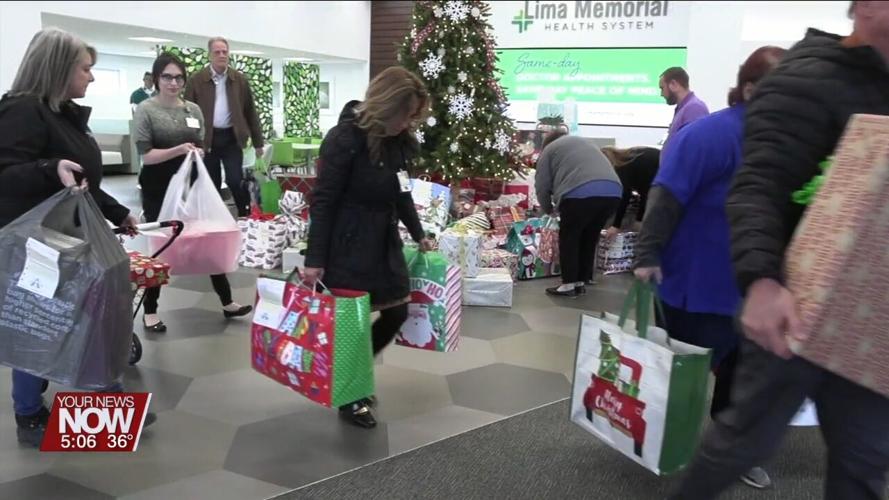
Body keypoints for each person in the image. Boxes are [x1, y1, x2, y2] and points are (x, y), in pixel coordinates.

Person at [667, 2, 889, 499]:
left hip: (875, 319)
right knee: (742, 441)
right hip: (798, 302)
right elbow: (759, 185)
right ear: (867, 8)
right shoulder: (807, 77)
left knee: (866, 460)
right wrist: (762, 280)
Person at [634, 45, 787, 491]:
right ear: (751, 89)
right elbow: (666, 195)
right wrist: (647, 255)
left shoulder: (787, 143)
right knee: (681, 374)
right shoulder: (710, 134)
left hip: (754, 286)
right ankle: (658, 441)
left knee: (742, 376)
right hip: (696, 283)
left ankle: (730, 452)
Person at [0, 28, 153, 446]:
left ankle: (105, 401)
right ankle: (31, 413)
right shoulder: (22, 111)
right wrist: (49, 169)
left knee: (85, 316)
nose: (92, 76)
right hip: (38, 244)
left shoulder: (63, 113)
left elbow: (81, 181)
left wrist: (117, 211)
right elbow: (7, 175)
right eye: (85, 69)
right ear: (59, 68)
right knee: (38, 323)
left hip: (68, 237)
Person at [303, 67, 434, 429]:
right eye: (405, 115)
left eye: (412, 117)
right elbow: (324, 200)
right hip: (347, 242)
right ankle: (350, 395)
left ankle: (353, 373)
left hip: (383, 241)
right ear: (386, 105)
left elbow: (402, 192)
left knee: (397, 312)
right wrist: (314, 258)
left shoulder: (397, 142)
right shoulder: (344, 138)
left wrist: (419, 233)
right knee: (352, 325)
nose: (407, 124)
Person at [134, 53, 253, 333]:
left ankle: (227, 301)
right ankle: (150, 311)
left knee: (206, 238)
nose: (173, 83)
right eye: (167, 77)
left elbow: (200, 144)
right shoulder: (146, 110)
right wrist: (178, 150)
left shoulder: (193, 110)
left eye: (179, 78)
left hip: (192, 183)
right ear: (157, 79)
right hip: (159, 187)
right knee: (161, 245)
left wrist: (197, 152)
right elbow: (146, 156)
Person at [534, 132, 622, 298]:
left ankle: (568, 284)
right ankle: (581, 281)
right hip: (613, 191)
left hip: (579, 193)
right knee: (589, 237)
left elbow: (542, 184)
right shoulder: (585, 142)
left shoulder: (549, 150)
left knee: (570, 237)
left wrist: (548, 209)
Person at [184, 36, 264, 218]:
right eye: (217, 52)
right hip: (207, 139)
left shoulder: (239, 80)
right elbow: (187, 112)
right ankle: (213, 219)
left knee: (235, 180)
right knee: (210, 183)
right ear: (209, 55)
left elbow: (250, 111)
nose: (222, 55)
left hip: (231, 138)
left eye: (225, 52)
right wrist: (190, 141)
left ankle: (245, 215)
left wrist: (258, 143)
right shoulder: (197, 80)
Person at [600, 146, 660, 240]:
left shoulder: (622, 166)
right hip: (666, 175)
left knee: (642, 228)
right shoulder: (632, 156)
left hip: (659, 184)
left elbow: (626, 195)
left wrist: (616, 225)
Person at [659, 67, 709, 155]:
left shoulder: (694, 108)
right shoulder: (684, 108)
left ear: (673, 84)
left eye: (662, 88)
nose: (661, 94)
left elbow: (693, 149)